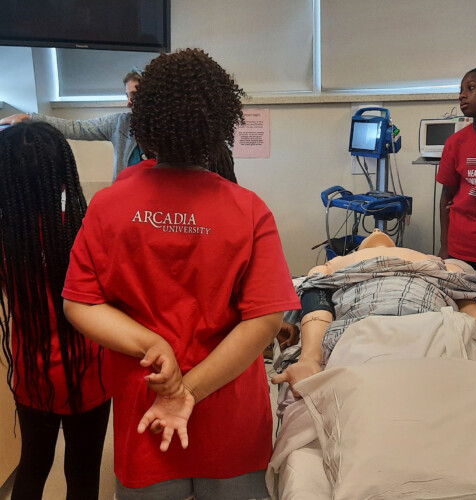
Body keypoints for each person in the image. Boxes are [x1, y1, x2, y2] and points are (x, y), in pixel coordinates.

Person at [62, 48, 300, 500]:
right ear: (220, 121)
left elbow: (80, 302)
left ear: (144, 119)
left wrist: (154, 349)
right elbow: (264, 320)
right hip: (229, 416)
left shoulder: (108, 206)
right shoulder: (248, 210)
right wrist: (188, 392)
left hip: (147, 411)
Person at [0, 122, 112, 500]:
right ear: (64, 177)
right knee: (83, 474)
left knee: (33, 466)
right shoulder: (87, 232)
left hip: (32, 375)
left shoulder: (9, 239)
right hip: (90, 374)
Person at [272, 229, 476, 392]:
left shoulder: (435, 262)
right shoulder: (339, 263)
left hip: (429, 323)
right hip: (363, 327)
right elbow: (316, 295)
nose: (376, 229)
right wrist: (309, 358)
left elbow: (469, 299)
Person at [0, 70, 144, 181]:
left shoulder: (165, 130)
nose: (128, 103)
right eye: (127, 96)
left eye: (134, 95)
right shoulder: (119, 123)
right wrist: (29, 118)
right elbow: (76, 128)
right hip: (125, 200)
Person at [437, 66, 476, 279]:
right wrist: (444, 246)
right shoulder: (456, 143)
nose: (462, 95)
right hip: (460, 252)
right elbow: (446, 197)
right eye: (461, 89)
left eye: (470, 88)